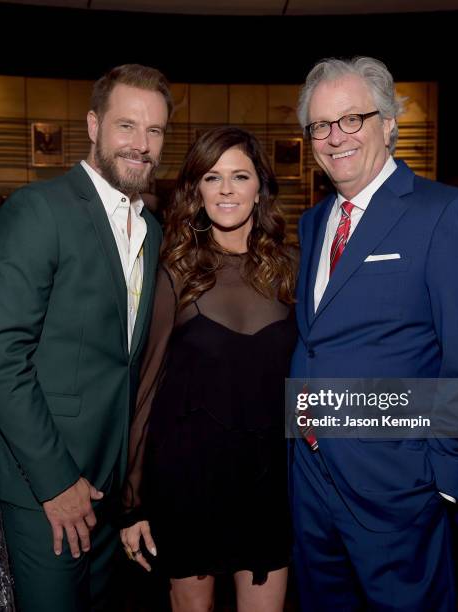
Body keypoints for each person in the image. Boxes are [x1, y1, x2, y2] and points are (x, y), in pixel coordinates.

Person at [290, 57, 458, 611]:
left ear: (389, 123)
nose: (334, 137)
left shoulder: (448, 214)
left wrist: (445, 482)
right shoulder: (314, 223)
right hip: (312, 481)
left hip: (400, 487)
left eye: (352, 119)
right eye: (320, 125)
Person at [0, 63, 172, 612]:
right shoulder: (38, 210)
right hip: (46, 483)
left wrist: (129, 489)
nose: (141, 144)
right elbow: (0, 357)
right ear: (93, 125)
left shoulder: (150, 228)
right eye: (127, 126)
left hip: (108, 485)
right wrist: (56, 482)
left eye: (154, 131)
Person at [120, 126, 297, 612]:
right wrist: (134, 501)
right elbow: (146, 388)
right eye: (212, 177)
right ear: (195, 189)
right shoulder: (173, 271)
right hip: (188, 482)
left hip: (267, 483)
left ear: (259, 187)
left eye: (239, 176)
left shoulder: (289, 270)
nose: (225, 189)